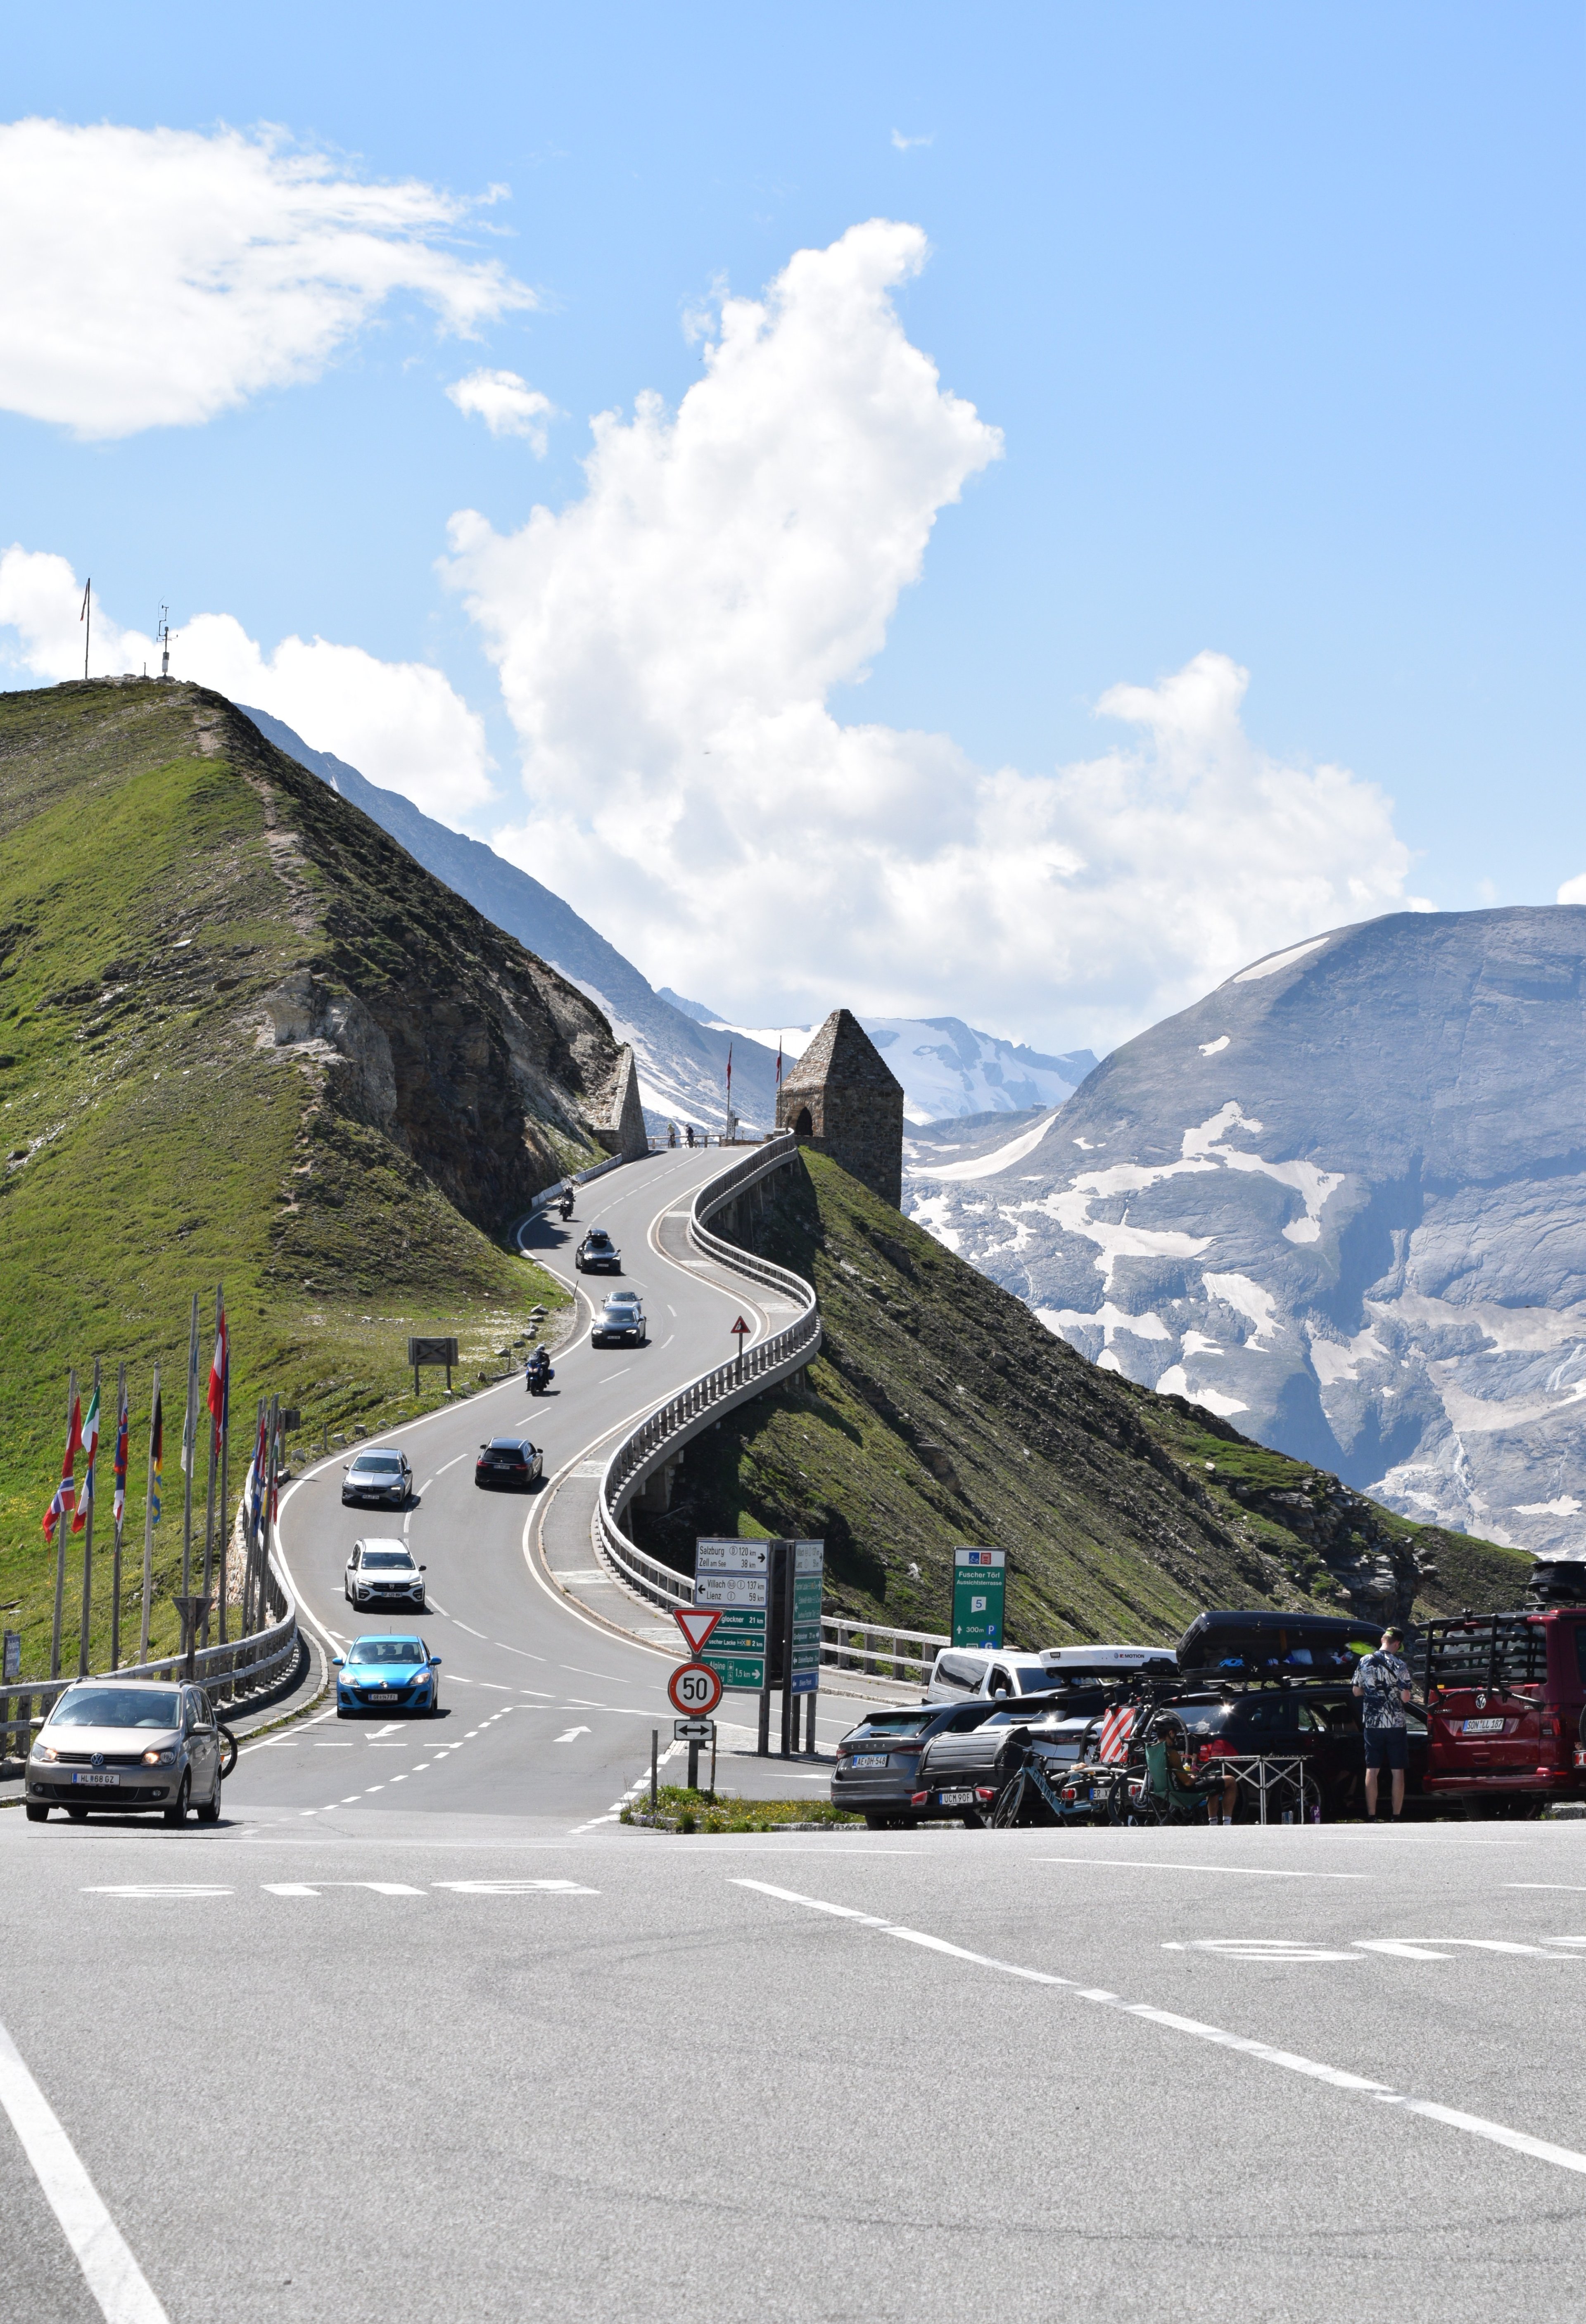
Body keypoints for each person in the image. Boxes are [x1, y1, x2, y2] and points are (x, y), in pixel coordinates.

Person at [1353, 1625, 1414, 1822]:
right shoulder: (1400, 1665)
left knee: (1372, 1769)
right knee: (1398, 1770)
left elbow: (1356, 1691)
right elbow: (1405, 1698)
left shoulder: (1364, 1661)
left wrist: (1372, 1694)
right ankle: (1396, 1815)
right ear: (1397, 1644)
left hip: (1373, 1723)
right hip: (1395, 1723)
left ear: (1382, 1640)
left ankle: (1371, 1815)